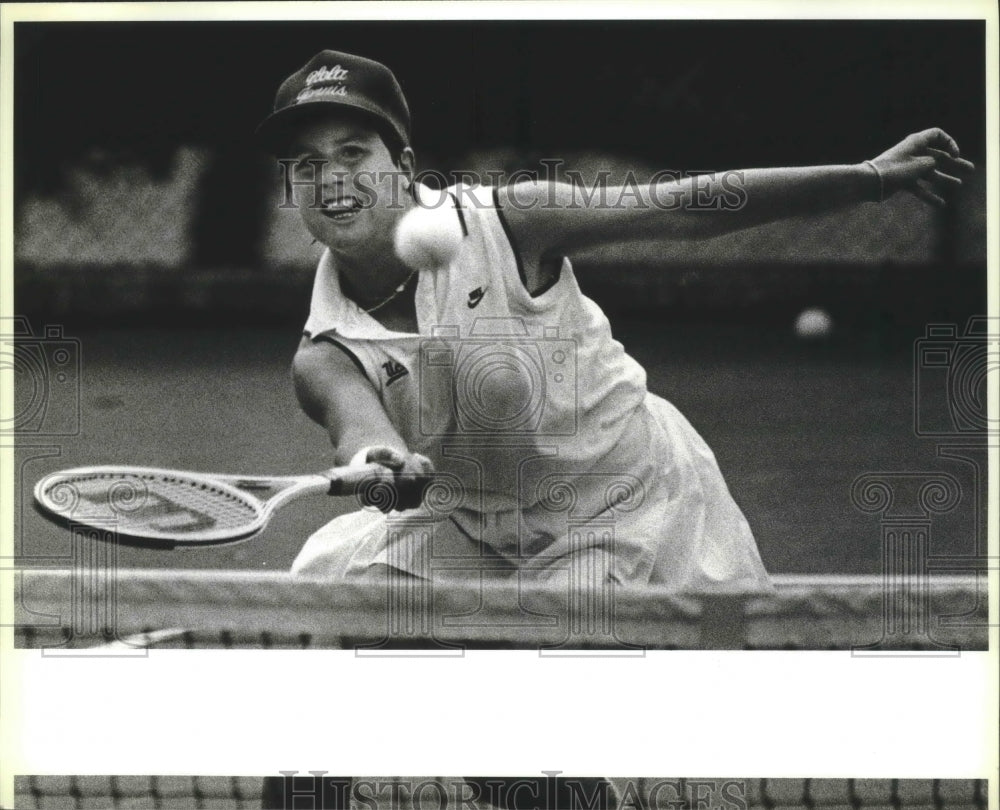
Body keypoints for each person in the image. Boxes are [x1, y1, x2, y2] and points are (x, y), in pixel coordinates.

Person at [255, 50, 973, 591]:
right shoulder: (325, 353)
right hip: (473, 522)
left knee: (535, 706)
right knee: (343, 631)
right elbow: (364, 434)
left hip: (623, 505)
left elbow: (688, 207)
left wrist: (869, 178)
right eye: (307, 164)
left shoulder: (510, 221)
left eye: (354, 153)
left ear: (404, 163)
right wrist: (383, 463)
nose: (333, 179)